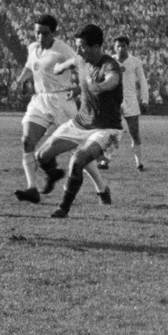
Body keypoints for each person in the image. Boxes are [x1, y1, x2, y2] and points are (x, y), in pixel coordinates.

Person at [33, 23, 123, 219]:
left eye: (82, 46)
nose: (79, 50)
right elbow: (66, 65)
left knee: (77, 161)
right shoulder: (81, 59)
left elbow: (112, 79)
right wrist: (56, 68)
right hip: (81, 122)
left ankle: (63, 208)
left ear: (97, 47)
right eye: (77, 46)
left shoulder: (109, 65)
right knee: (41, 156)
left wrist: (101, 86)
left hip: (108, 129)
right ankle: (54, 176)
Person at [8, 14, 78, 204]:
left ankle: (101, 188)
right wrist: (19, 82)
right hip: (39, 99)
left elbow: (82, 64)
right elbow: (30, 67)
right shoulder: (33, 47)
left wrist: (81, 88)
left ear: (54, 33)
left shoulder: (62, 49)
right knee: (27, 141)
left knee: (78, 149)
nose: (40, 37)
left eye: (45, 33)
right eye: (37, 33)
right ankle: (32, 189)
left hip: (62, 99)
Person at [112, 35, 150, 171]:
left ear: (128, 47)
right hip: (114, 99)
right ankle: (105, 159)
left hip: (131, 99)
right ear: (114, 47)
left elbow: (143, 81)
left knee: (134, 132)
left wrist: (145, 100)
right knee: (110, 130)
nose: (121, 48)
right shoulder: (110, 61)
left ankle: (139, 162)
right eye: (118, 46)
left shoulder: (135, 61)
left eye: (123, 46)